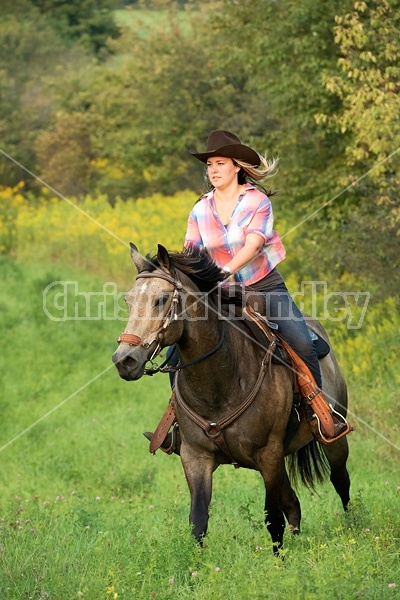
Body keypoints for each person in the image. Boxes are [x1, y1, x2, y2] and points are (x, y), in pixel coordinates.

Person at [144, 130, 348, 453]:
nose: (213, 170)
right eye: (210, 164)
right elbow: (193, 254)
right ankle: (181, 425)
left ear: (237, 167)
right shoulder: (200, 210)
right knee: (176, 350)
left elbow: (254, 245)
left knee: (300, 342)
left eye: (220, 163)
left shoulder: (257, 202)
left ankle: (318, 415)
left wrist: (225, 270)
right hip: (217, 294)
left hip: (263, 286)